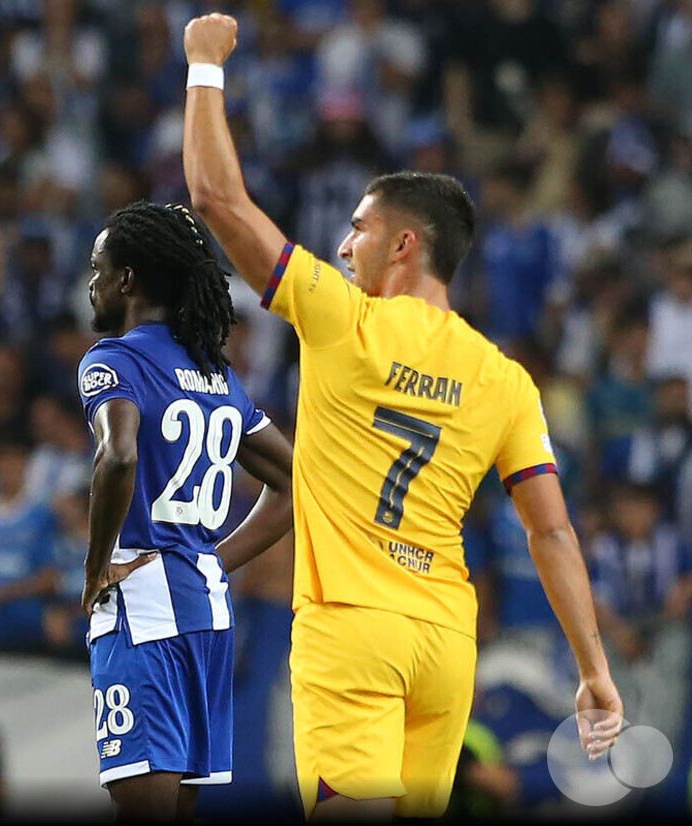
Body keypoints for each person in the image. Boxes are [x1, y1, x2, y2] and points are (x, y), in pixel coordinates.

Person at [180, 13, 624, 821]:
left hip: (352, 632)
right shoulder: (505, 379)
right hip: (446, 644)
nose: (344, 247)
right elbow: (552, 533)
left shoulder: (341, 319)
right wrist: (593, 670)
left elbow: (216, 197)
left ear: (404, 246)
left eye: (358, 227)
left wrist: (204, 65)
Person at [77, 201, 295, 822]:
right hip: (207, 612)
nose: (91, 282)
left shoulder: (113, 360)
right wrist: (213, 561)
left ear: (127, 280)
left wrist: (95, 569)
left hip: (141, 607)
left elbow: (117, 455)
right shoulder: (216, 374)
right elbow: (293, 481)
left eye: (98, 268)